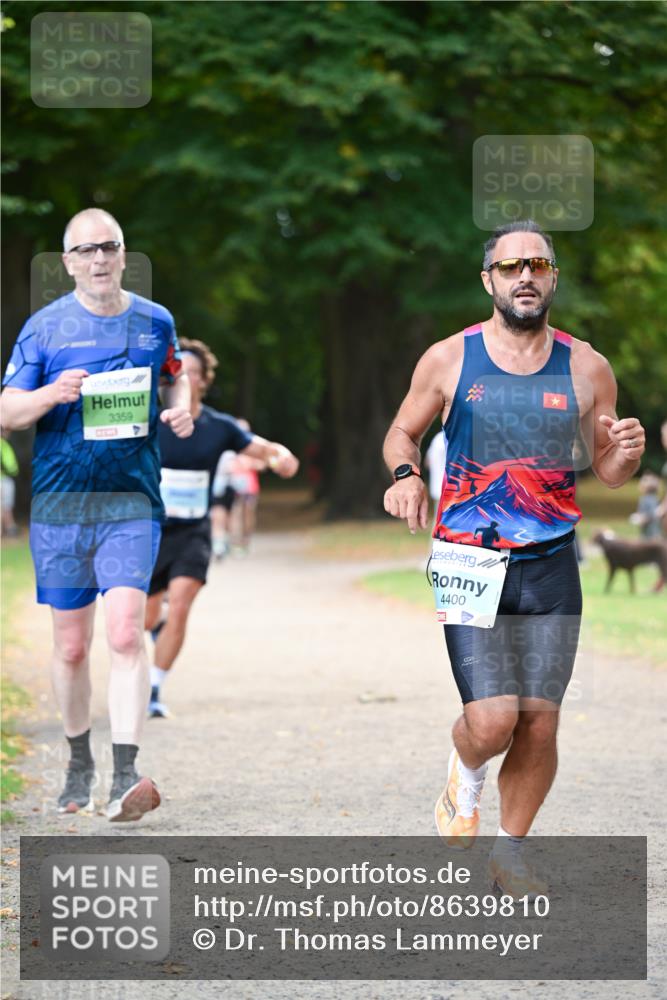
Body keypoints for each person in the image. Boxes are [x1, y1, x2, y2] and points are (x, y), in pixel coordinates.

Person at [383, 220, 646, 894]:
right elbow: (401, 432)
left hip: (552, 562)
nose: (524, 276)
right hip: (469, 561)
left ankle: (509, 852)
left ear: (552, 277)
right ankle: (463, 778)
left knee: (539, 720)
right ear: (488, 280)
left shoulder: (587, 366)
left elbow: (608, 470)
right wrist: (405, 476)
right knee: (492, 719)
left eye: (537, 264)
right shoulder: (448, 359)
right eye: (509, 267)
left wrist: (624, 452)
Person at [0, 208, 193, 822]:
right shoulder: (44, 329)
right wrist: (53, 393)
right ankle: (79, 759)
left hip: (130, 500)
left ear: (123, 252)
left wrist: (182, 409)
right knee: (74, 645)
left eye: (109, 247)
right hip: (60, 504)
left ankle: (127, 771)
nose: (99, 259)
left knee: (124, 631)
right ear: (69, 263)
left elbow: (177, 376)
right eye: (86, 251)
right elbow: (8, 413)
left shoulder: (154, 320)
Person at [145, 339, 299, 718]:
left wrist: (281, 458)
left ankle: (153, 688)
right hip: (151, 531)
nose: (186, 377)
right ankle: (156, 627)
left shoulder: (220, 427)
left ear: (203, 381)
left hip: (193, 532)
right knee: (146, 618)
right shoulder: (150, 421)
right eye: (180, 370)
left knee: (180, 604)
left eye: (194, 373)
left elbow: (268, 451)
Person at [1, 430, 19, 536]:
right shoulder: (3, 445)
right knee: (5, 506)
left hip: (4, 479)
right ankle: (9, 528)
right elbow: (11, 467)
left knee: (5, 505)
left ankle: (9, 528)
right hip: (3, 479)